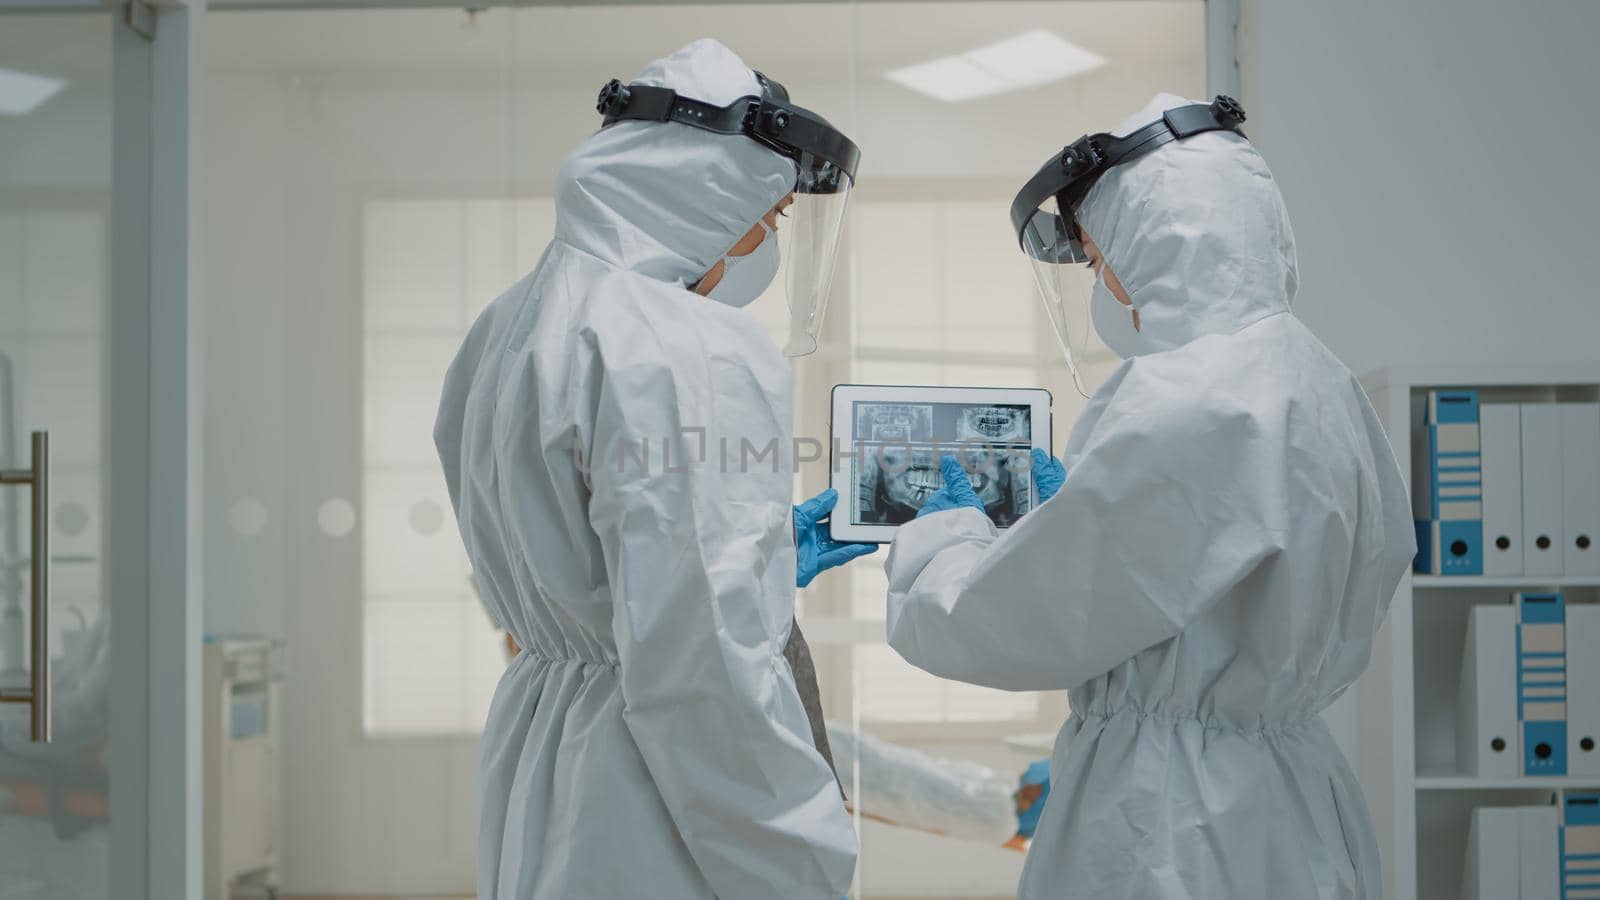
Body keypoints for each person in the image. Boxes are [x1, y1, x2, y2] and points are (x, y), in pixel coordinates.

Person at [882, 94, 1415, 899]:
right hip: (1288, 799)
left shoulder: (1190, 397)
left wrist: (944, 538)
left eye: (1097, 259)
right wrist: (1082, 524)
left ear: (1157, 240)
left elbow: (1004, 625)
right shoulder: (1316, 376)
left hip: (1174, 825)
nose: (1104, 283)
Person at [434, 39, 871, 899]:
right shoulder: (685, 341)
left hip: (546, 744)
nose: (763, 238)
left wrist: (758, 555)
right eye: (770, 213)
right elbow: (700, 666)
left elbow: (567, 555)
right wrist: (803, 862)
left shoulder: (505, 324)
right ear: (706, 189)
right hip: (656, 791)